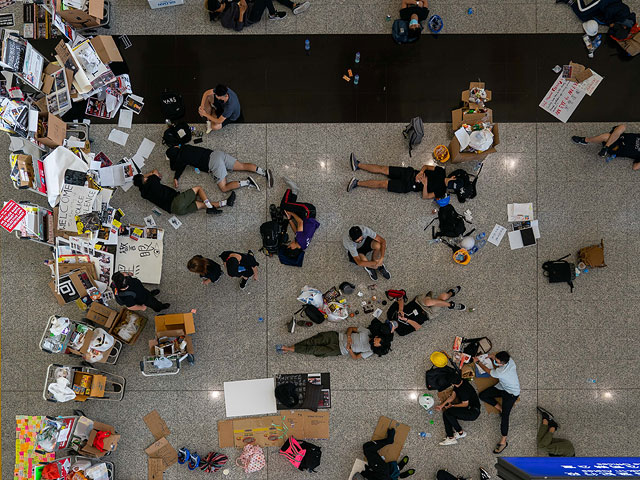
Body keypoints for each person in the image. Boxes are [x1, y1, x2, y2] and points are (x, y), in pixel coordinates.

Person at [348, 153, 455, 201]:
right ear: (453, 177)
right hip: (409, 173)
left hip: (408, 186)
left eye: (451, 186)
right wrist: (420, 173)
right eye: (451, 182)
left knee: (383, 184)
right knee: (383, 169)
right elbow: (426, 166)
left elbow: (425, 196)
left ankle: (357, 183)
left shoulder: (441, 191)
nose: (448, 184)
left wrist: (425, 185)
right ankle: (358, 165)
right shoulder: (441, 171)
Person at [167, 144, 273, 192]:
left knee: (224, 188)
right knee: (242, 165)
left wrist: (176, 177)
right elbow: (178, 147)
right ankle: (263, 172)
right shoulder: (184, 146)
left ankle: (247, 182)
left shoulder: (181, 160)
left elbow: (176, 167)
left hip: (213, 164)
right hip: (216, 154)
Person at [474, 351, 521, 454]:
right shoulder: (510, 361)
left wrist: (478, 362)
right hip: (503, 387)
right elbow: (496, 358)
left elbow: (487, 370)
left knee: (505, 417)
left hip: (511, 394)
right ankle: (500, 408)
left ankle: (503, 441)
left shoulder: (500, 372)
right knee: (483, 396)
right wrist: (491, 356)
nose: (494, 361)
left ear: (502, 363)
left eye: (496, 361)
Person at [133, 169, 235, 216]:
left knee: (201, 205)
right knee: (198, 188)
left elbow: (144, 181)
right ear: (144, 178)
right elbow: (155, 171)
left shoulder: (143, 194)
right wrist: (146, 175)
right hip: (176, 201)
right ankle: (210, 207)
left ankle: (226, 203)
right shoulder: (151, 181)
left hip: (176, 211)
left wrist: (141, 181)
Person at [386, 286, 466, 336]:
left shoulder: (390, 314)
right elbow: (418, 327)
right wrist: (406, 320)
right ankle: (451, 293)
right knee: (443, 297)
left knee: (429, 302)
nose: (392, 323)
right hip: (428, 313)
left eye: (390, 322)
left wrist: (401, 310)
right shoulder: (401, 332)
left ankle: (451, 305)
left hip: (419, 302)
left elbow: (400, 299)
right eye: (391, 326)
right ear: (392, 331)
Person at [276, 325, 392, 359]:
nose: (376, 339)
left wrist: (350, 350)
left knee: (315, 350)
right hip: (337, 337)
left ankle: (289, 349)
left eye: (378, 342)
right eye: (378, 338)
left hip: (338, 350)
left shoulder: (369, 351)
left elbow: (356, 358)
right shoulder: (367, 332)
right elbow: (351, 328)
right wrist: (349, 336)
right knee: (313, 340)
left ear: (378, 347)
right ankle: (290, 348)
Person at [278, 178, 320, 264]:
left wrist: (289, 219)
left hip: (309, 216)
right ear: (293, 248)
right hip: (308, 211)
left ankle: (294, 193)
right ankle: (293, 190)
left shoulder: (302, 245)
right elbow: (300, 222)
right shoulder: (300, 240)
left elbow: (296, 231)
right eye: (290, 245)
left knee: (284, 213)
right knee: (284, 206)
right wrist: (292, 214)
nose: (290, 243)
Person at [435, 373, 481, 446]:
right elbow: (452, 397)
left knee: (448, 413)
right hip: (470, 407)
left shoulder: (464, 391)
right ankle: (452, 436)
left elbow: (465, 404)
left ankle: (458, 434)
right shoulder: (459, 382)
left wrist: (452, 405)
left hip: (472, 412)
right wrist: (441, 405)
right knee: (446, 413)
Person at [572, 124, 640, 170]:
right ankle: (606, 147)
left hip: (618, 148)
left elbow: (635, 167)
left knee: (606, 136)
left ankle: (585, 140)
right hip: (618, 136)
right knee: (622, 126)